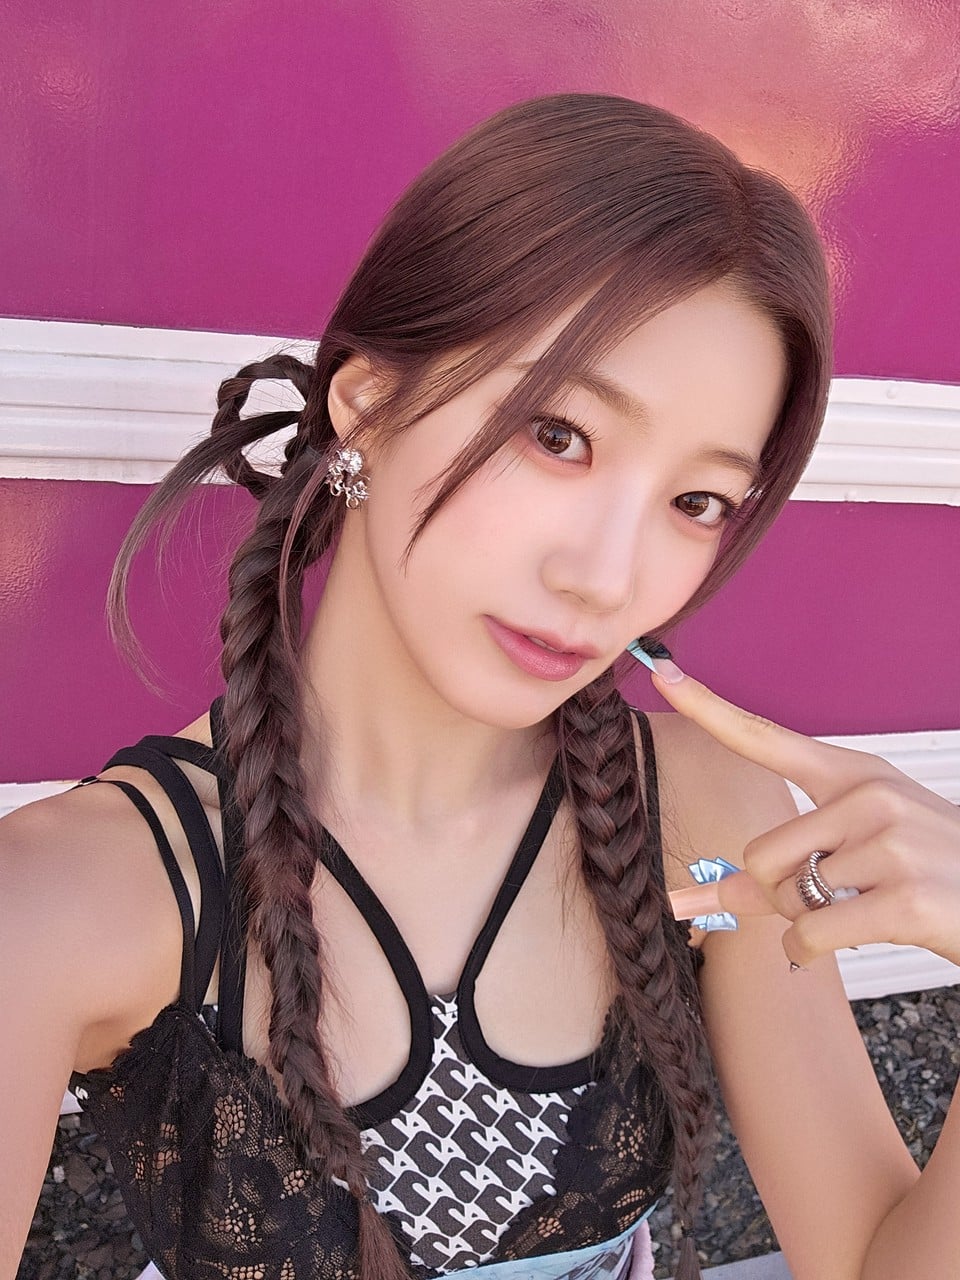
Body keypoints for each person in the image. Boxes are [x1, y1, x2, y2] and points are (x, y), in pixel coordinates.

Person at [2, 93, 959, 1280]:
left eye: (696, 500)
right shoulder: (70, 897)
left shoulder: (713, 824)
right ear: (366, 401)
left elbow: (874, 1262)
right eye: (557, 435)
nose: (606, 575)